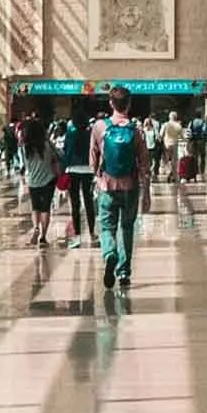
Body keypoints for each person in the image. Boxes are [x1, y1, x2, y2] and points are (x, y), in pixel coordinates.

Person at [90, 83, 149, 294]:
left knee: (107, 227)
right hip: (130, 186)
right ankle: (124, 271)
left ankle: (109, 254)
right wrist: (147, 193)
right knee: (127, 228)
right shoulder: (136, 130)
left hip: (107, 185)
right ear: (129, 104)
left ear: (110, 103)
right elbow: (144, 164)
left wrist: (97, 180)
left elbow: (93, 161)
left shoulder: (99, 127)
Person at [56, 89, 97, 241]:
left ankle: (78, 232)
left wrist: (63, 168)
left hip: (73, 169)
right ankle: (92, 232)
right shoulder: (90, 134)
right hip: (88, 170)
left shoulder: (70, 134)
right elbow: (95, 151)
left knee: (75, 202)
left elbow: (66, 152)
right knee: (89, 200)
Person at [18, 109, 60, 247]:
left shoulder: (25, 148)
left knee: (35, 207)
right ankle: (43, 236)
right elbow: (59, 155)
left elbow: (23, 164)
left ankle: (36, 228)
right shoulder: (47, 145)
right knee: (45, 208)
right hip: (48, 179)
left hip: (32, 181)